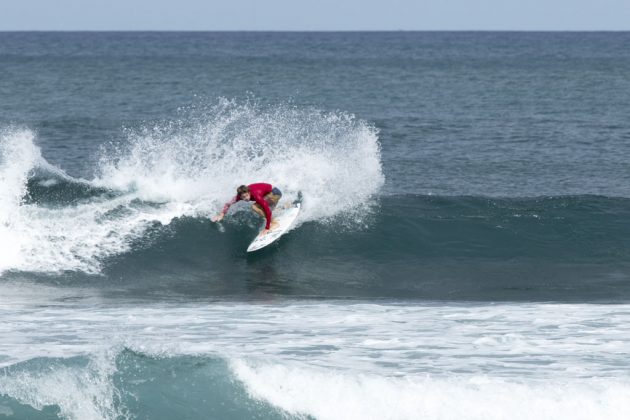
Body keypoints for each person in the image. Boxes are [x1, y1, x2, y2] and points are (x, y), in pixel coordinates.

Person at [212, 183, 282, 235]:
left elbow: (266, 210)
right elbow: (228, 204)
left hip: (275, 193)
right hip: (268, 194)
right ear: (240, 196)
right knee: (268, 209)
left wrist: (267, 228)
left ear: (249, 192)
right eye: (243, 197)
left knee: (255, 207)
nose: (246, 199)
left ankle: (274, 223)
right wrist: (222, 214)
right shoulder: (239, 196)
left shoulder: (256, 194)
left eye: (246, 196)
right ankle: (286, 206)